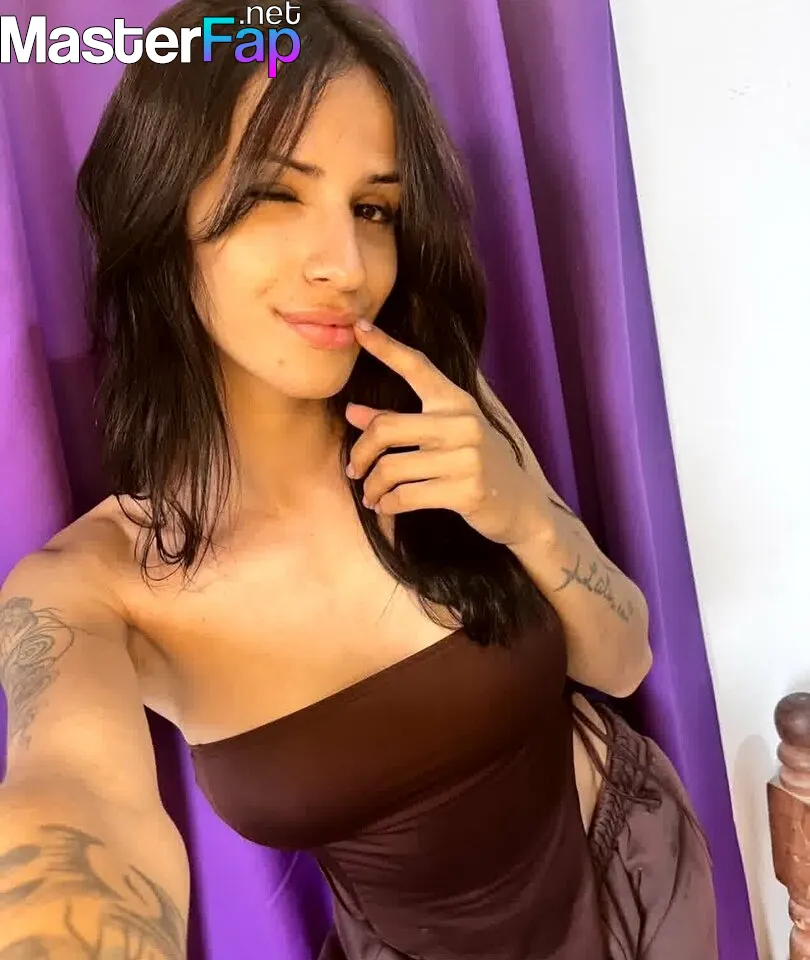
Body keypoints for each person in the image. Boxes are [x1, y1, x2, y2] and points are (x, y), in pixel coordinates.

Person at [0, 0, 718, 957]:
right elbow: (70, 805)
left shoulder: (437, 412)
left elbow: (624, 660)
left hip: (630, 878)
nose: (347, 265)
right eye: (276, 194)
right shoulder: (87, 590)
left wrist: (523, 515)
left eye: (373, 209)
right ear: (160, 210)